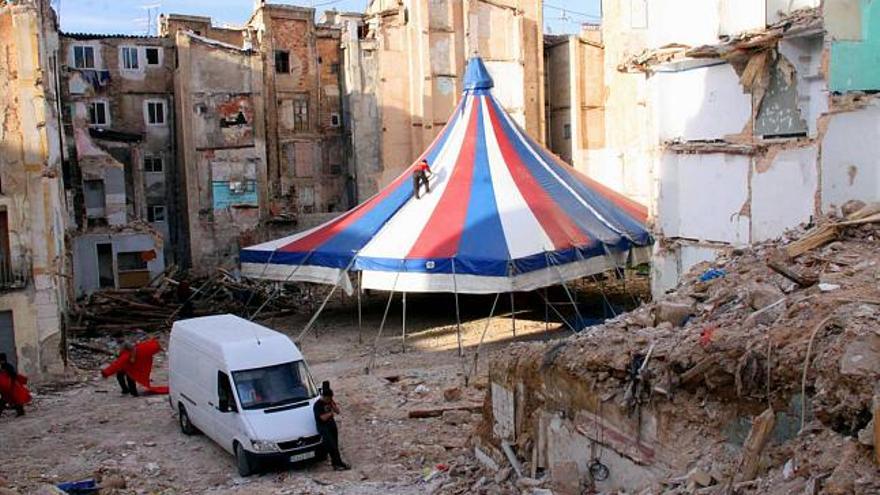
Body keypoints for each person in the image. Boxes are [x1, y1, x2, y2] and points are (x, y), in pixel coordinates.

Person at [101, 338, 169, 396]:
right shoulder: (130, 348)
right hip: (128, 365)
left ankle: (129, 391)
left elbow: (117, 363)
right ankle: (129, 391)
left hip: (128, 365)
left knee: (126, 377)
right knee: (126, 377)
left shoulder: (126, 349)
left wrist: (106, 372)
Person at [312, 381, 351, 471]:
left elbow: (338, 411)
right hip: (323, 428)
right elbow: (322, 418)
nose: (330, 400)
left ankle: (339, 462)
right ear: (325, 397)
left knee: (335, 446)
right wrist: (331, 413)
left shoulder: (330, 402)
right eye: (329, 398)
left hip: (332, 426)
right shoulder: (317, 405)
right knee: (331, 446)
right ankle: (336, 464)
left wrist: (333, 406)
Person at [0, 352, 30, 417]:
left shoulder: (8, 366)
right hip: (6, 387)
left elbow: (13, 375)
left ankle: (21, 412)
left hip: (12, 386)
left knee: (15, 399)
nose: (1, 361)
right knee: (5, 400)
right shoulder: (2, 366)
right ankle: (20, 411)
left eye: (1, 360)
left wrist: (11, 383)